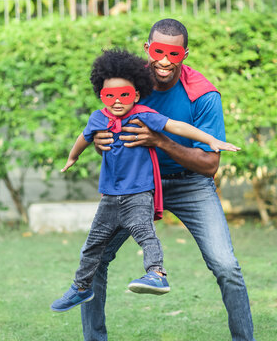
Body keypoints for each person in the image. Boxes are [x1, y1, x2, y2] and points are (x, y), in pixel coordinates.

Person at [82, 19, 256, 341]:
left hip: (191, 183)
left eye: (173, 54)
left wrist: (159, 140)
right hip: (138, 184)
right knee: (94, 260)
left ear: (184, 55)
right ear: (147, 49)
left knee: (227, 267)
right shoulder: (129, 86)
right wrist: (99, 142)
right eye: (158, 51)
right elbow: (109, 133)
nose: (164, 61)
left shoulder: (202, 94)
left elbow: (209, 165)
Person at [50, 48, 240, 313]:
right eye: (110, 96)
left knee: (219, 262)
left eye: (124, 96)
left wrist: (211, 140)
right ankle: (80, 288)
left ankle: (156, 274)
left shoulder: (158, 107)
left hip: (158, 188)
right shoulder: (102, 114)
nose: (163, 60)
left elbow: (178, 128)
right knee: (94, 251)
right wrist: (77, 155)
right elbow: (86, 137)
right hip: (115, 194)